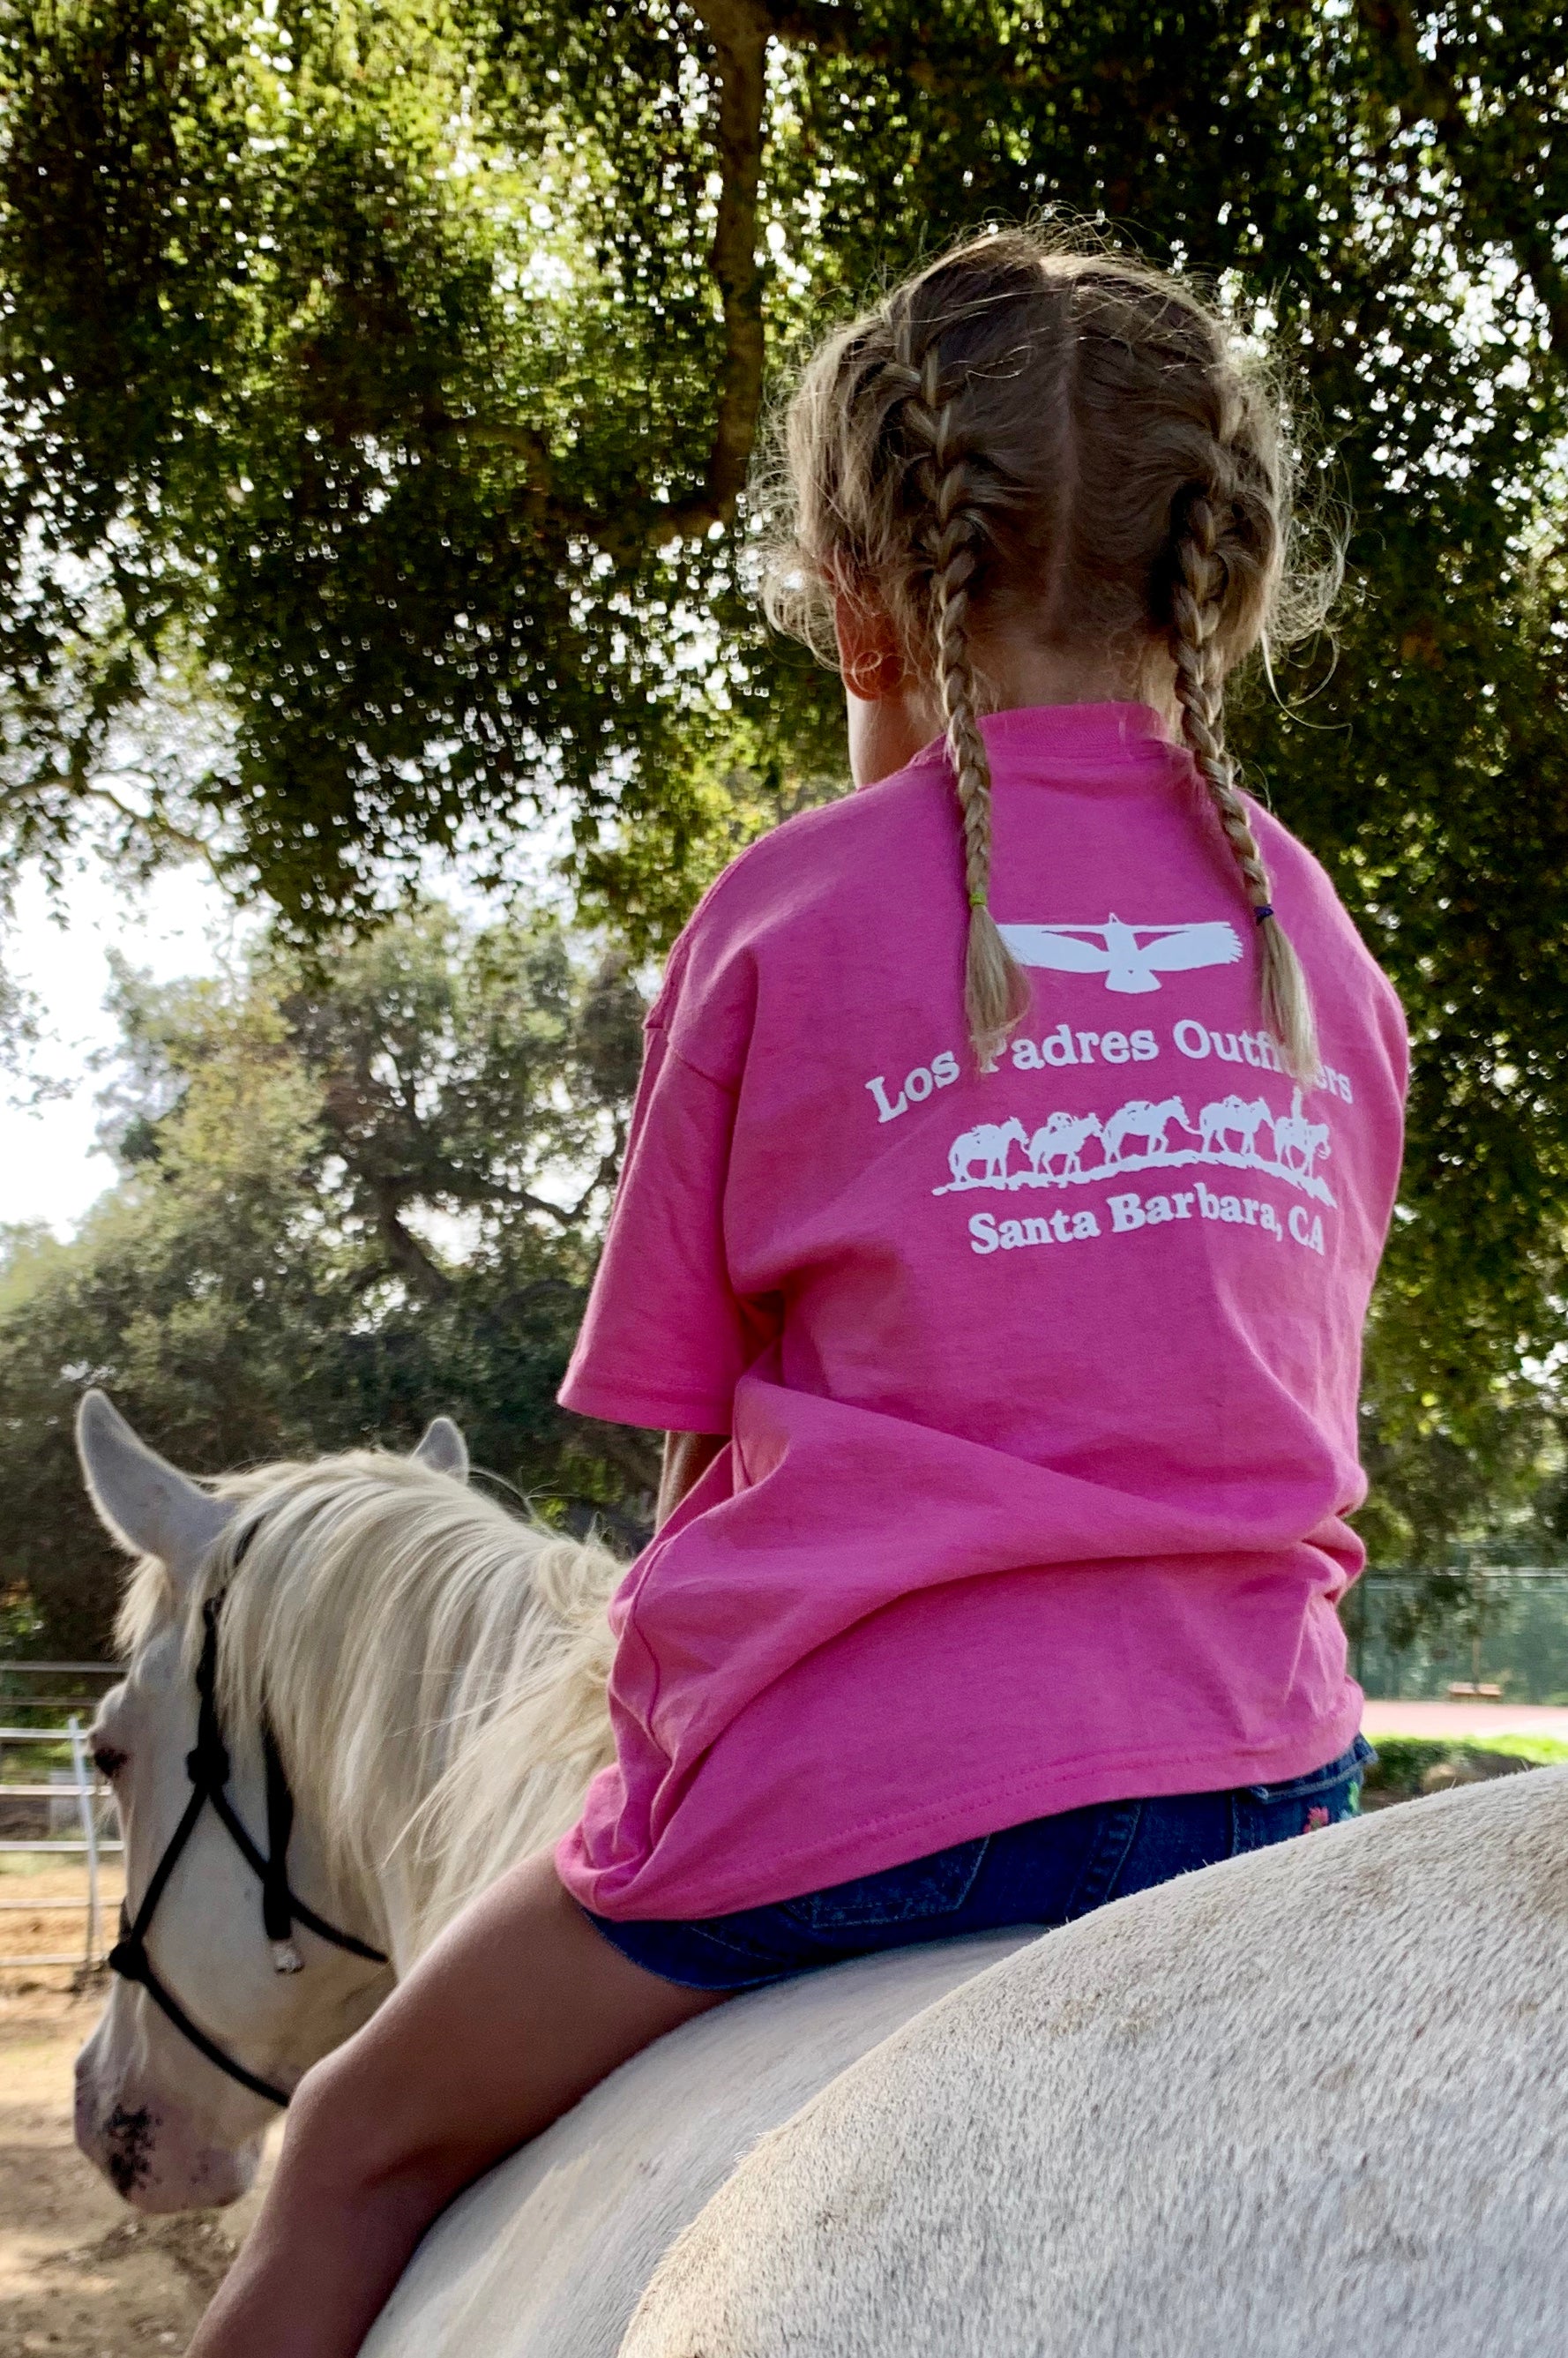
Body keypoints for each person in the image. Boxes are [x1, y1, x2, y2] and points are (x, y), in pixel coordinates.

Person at [190, 230, 1407, 2357]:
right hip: (1258, 1776)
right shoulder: (1315, 942)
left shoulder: (787, 911)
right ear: (1206, 581)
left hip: (872, 1797)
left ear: (860, 596)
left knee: (353, 2144)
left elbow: (689, 1430)